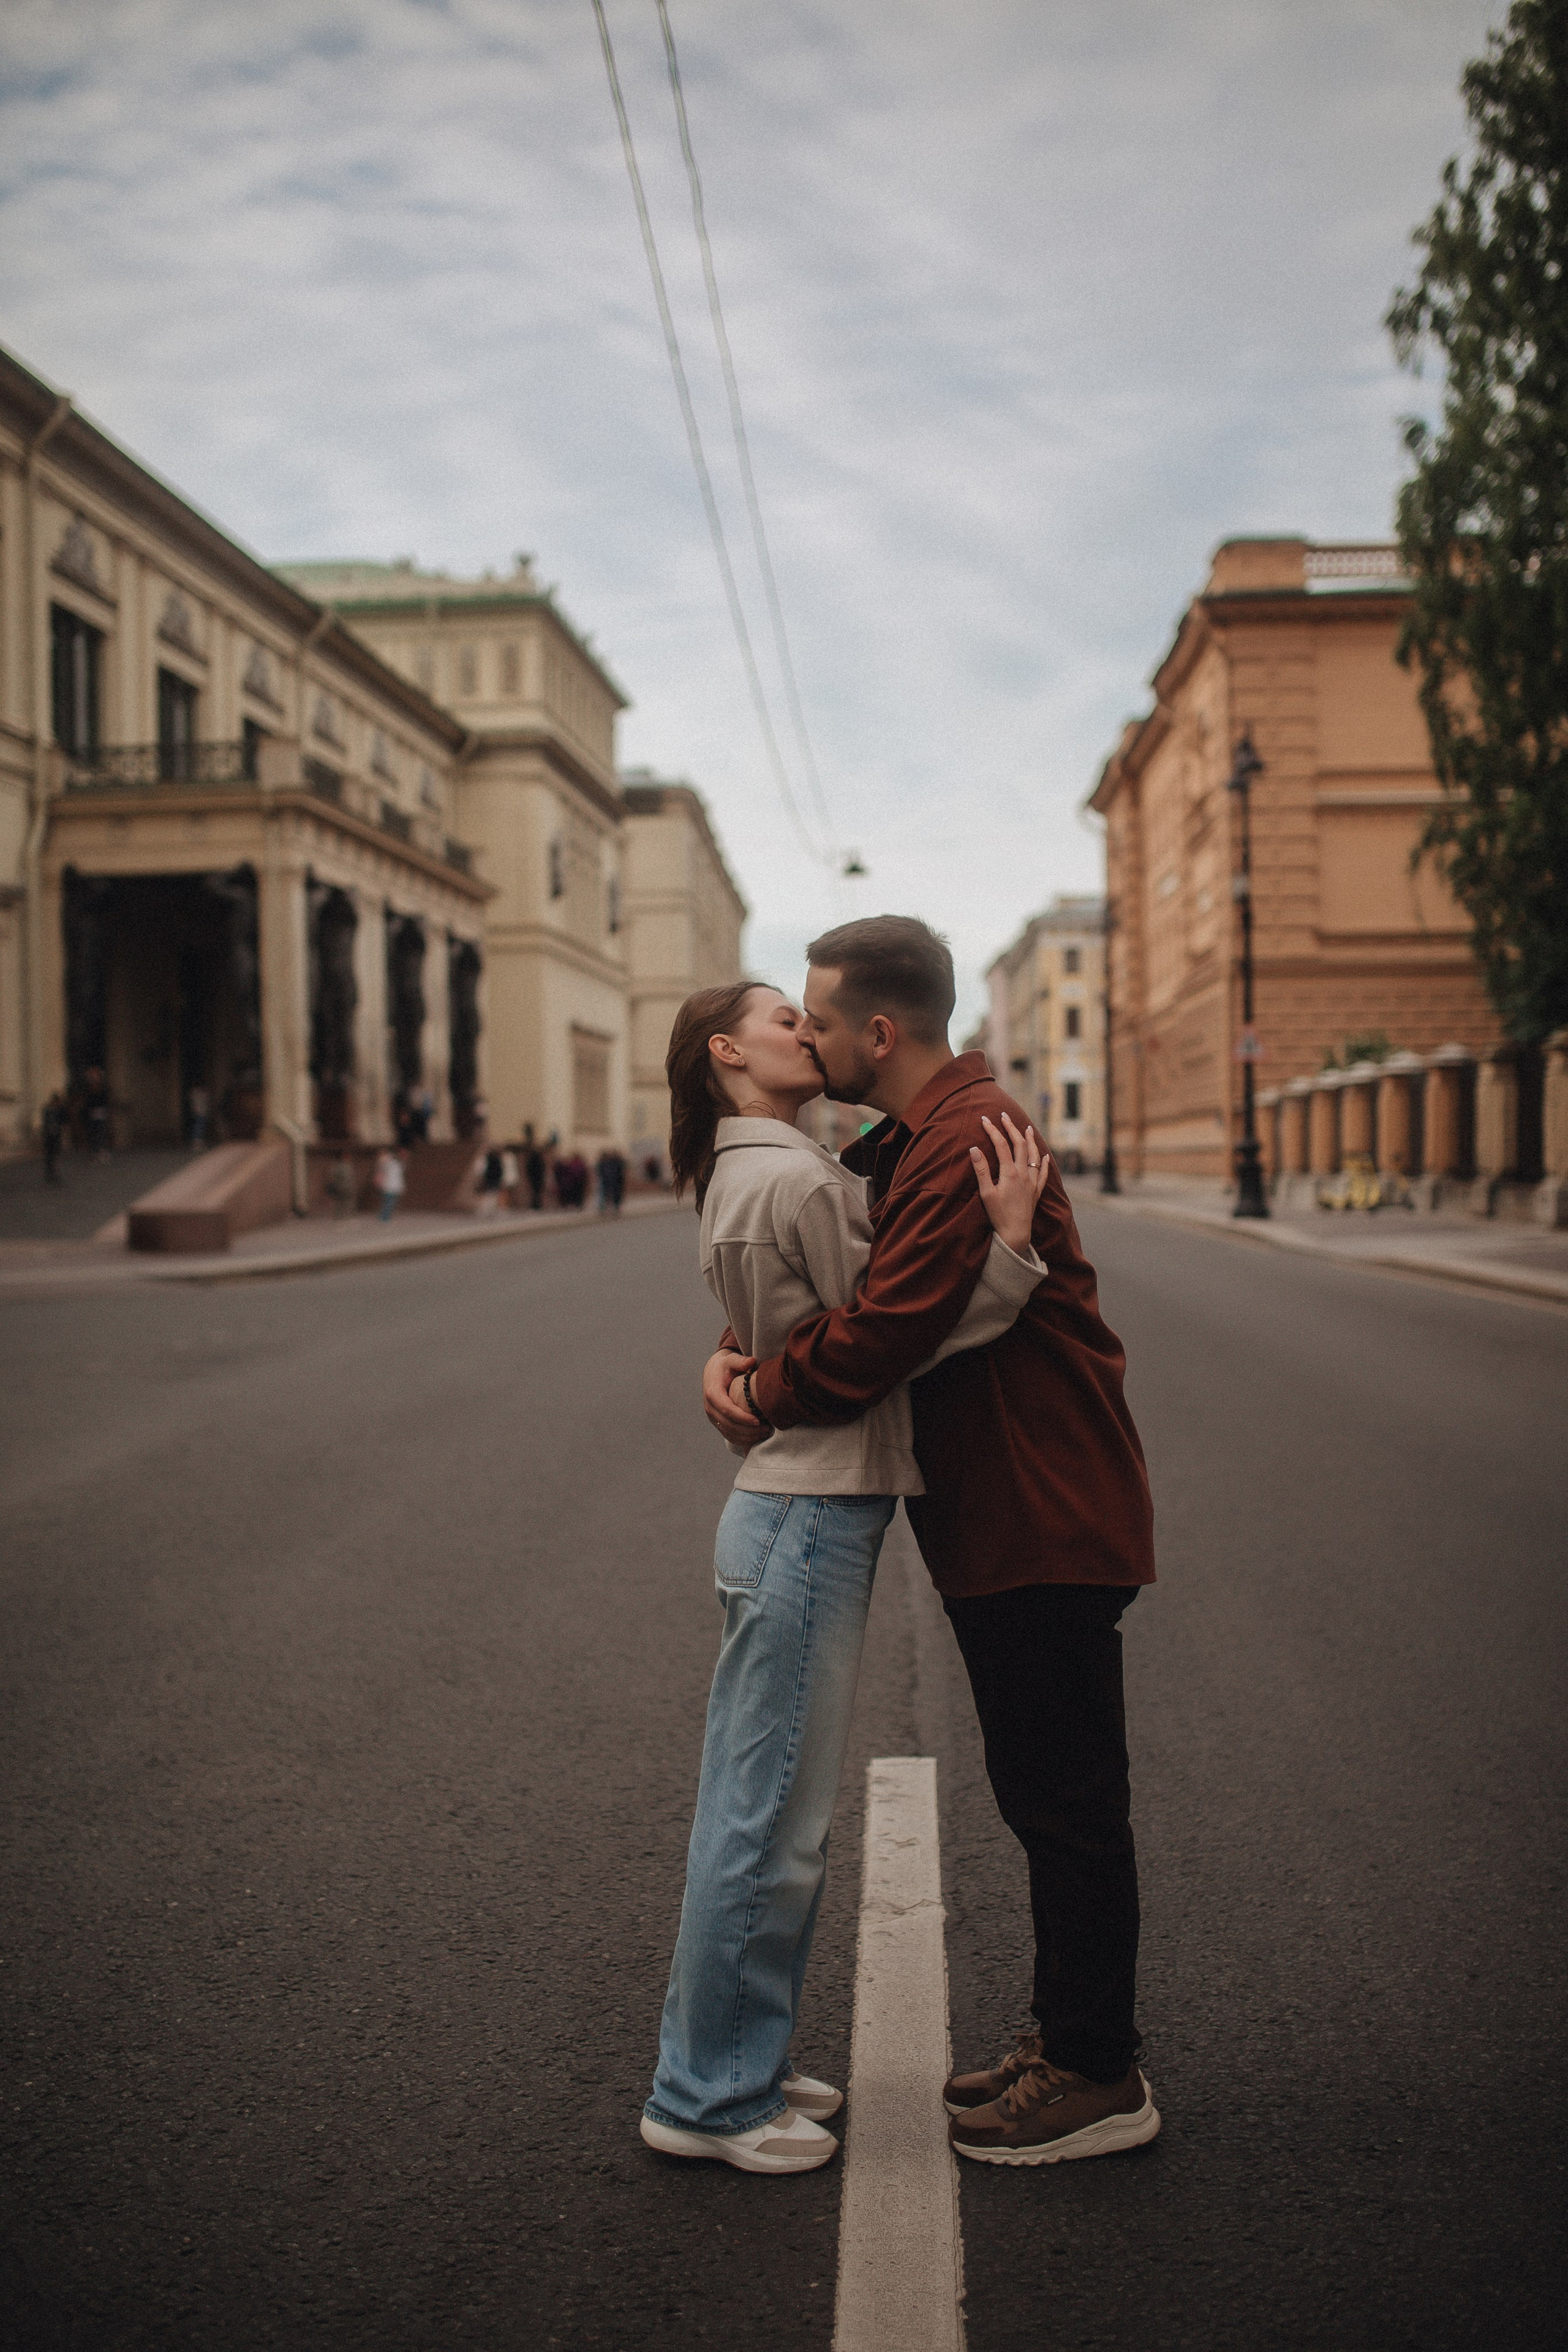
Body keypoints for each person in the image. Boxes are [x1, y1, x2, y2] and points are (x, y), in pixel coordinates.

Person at [703, 916, 1159, 2170]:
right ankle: (1065, 2037)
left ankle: (1092, 2070)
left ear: (878, 1032)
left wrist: (759, 1392)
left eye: (818, 1016)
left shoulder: (965, 1136)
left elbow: (881, 1335)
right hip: (1011, 1506)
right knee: (1043, 1795)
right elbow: (848, 1291)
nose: (807, 1031)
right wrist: (736, 1356)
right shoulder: (922, 1134)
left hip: (1039, 1509)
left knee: (1065, 1803)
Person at [642, 979, 1050, 2177]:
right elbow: (895, 1332)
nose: (805, 1034)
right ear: (727, 1051)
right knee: (770, 1819)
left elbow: (788, 1325)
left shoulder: (741, 1170)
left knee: (760, 1809)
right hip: (809, 1510)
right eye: (782, 1019)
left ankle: (734, 2057)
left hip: (781, 1507)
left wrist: (735, 1365)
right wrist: (1011, 1247)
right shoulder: (797, 1180)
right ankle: (707, 2095)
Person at [41, 1090, 67, 1183]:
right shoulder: (48, 1110)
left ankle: (54, 1172)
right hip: (50, 1136)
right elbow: (45, 1123)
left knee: (55, 1155)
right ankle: (50, 1172)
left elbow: (64, 1122)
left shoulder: (60, 1110)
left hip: (56, 1135)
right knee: (50, 1155)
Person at [374, 1146, 405, 1223]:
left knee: (390, 1202)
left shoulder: (395, 1164)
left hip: (392, 1186)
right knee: (389, 1202)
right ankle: (384, 1217)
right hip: (388, 1186)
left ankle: (385, 1216)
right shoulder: (387, 1163)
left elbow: (399, 1176)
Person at [522, 1125, 547, 1213]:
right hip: (534, 1176)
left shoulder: (537, 1158)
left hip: (537, 1176)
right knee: (534, 1191)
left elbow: (542, 1167)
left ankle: (537, 1205)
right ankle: (535, 1205)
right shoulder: (534, 1158)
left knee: (537, 1191)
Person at [596, 1146, 627, 1216]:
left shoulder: (616, 1163)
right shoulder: (606, 1163)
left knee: (613, 1195)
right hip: (608, 1181)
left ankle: (614, 1208)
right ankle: (607, 1208)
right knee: (606, 1195)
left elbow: (620, 1173)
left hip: (614, 1182)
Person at [326, 1155, 357, 1220]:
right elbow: (349, 1178)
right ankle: (345, 1215)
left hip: (339, 1187)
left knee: (340, 1201)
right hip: (346, 1187)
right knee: (347, 1201)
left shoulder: (337, 1167)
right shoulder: (346, 1167)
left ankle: (338, 1216)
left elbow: (333, 1177)